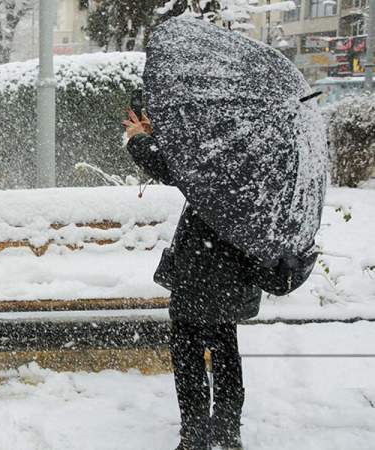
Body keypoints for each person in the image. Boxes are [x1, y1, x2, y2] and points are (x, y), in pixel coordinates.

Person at [123, 109, 315, 450]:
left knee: (189, 357)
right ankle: (227, 432)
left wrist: (139, 138)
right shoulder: (267, 161)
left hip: (198, 271)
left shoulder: (220, 152)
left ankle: (195, 435)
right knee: (226, 353)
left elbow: (170, 167)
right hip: (235, 275)